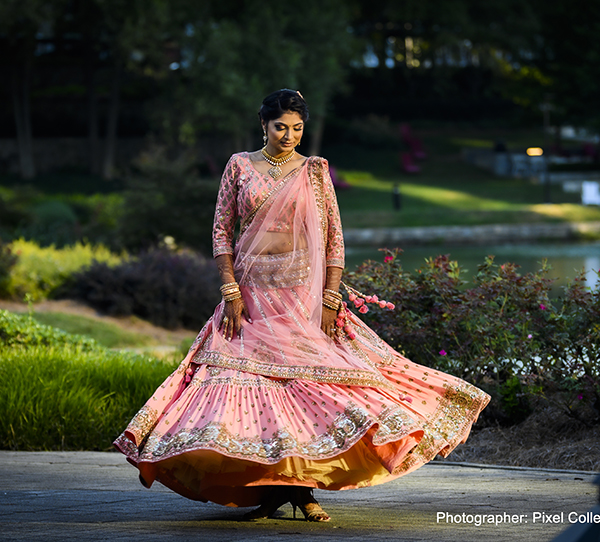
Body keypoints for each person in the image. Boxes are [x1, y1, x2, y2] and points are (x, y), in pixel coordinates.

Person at [114, 89, 490, 522]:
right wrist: (230, 290)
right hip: (251, 296)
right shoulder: (239, 166)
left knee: (309, 389)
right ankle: (277, 488)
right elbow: (221, 231)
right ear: (263, 125)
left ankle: (302, 490)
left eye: (297, 128)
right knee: (253, 390)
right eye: (280, 127)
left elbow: (333, 237)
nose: (289, 135)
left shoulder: (314, 171)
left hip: (302, 298)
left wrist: (330, 297)